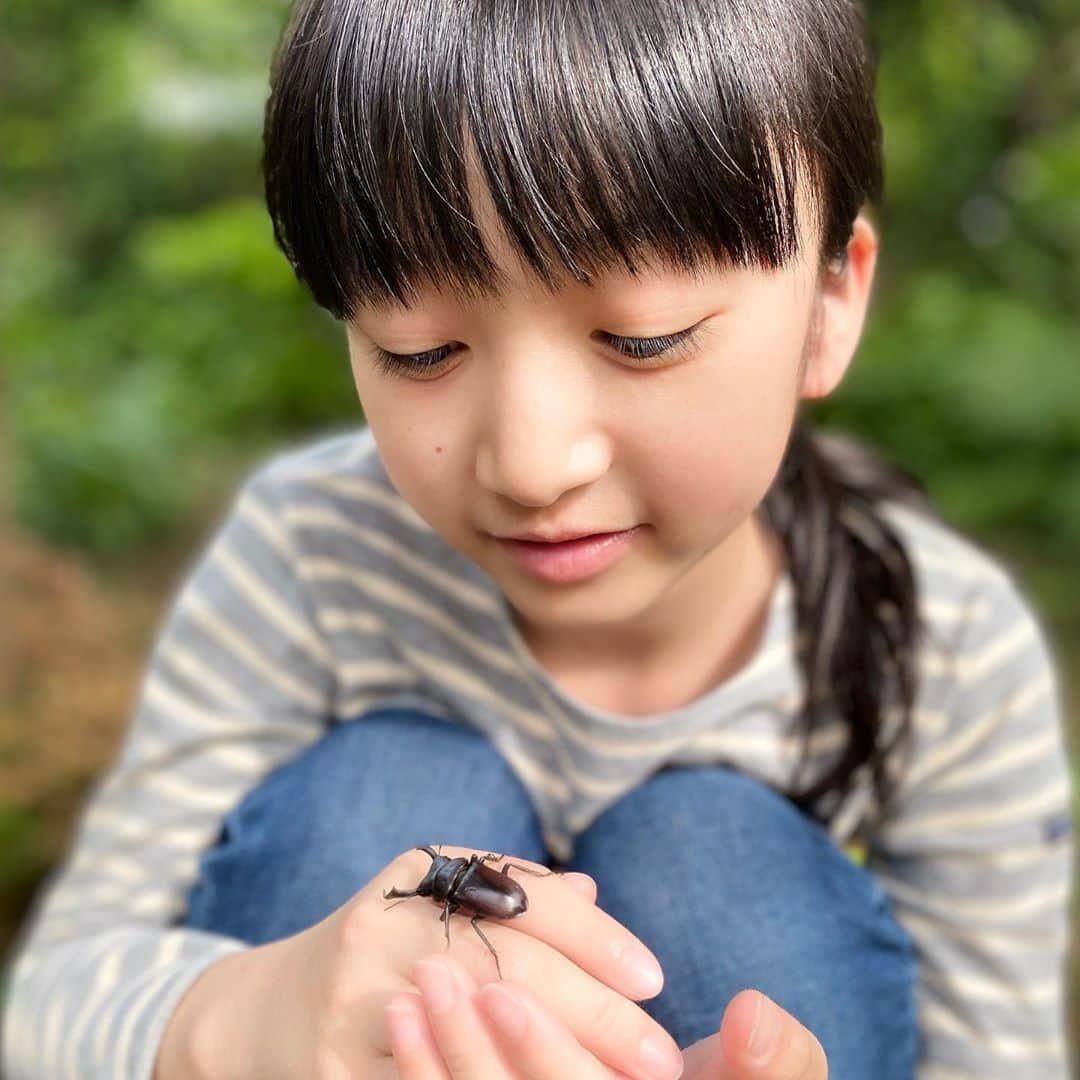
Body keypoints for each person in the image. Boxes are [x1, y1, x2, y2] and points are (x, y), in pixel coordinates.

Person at [1, 0, 1073, 1076]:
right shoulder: (309, 553)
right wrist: (247, 1019)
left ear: (832, 300)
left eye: (643, 338)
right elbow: (46, 1001)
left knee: (719, 859)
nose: (528, 461)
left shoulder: (945, 644)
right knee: (383, 806)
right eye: (419, 350)